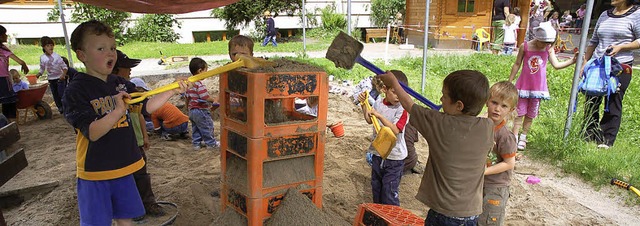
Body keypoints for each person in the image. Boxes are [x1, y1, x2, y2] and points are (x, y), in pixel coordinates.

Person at [63, 20, 188, 226]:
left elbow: (146, 106)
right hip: (95, 172)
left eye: (112, 48)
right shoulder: (76, 90)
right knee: (97, 222)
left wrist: (171, 91)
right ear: (82, 55)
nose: (110, 53)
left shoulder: (119, 83)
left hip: (123, 167)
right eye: (101, 48)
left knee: (125, 217)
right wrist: (117, 111)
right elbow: (92, 132)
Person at [377, 69, 494, 225]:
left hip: (444, 213)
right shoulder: (487, 127)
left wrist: (394, 84)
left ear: (459, 105)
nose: (440, 99)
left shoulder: (439, 123)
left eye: (444, 96)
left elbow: (409, 105)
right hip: (472, 214)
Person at [112, 50, 166, 219]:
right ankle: (133, 209)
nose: (130, 71)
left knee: (141, 172)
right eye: (126, 67)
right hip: (115, 144)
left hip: (134, 140)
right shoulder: (103, 89)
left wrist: (144, 136)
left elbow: (143, 109)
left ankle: (148, 202)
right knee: (123, 178)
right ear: (115, 68)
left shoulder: (127, 87)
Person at [508, 22, 577, 150]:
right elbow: (517, 64)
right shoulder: (525, 47)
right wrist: (510, 81)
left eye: (548, 43)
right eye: (544, 42)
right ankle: (514, 136)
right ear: (537, 38)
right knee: (519, 112)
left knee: (531, 114)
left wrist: (572, 61)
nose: (546, 45)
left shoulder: (548, 49)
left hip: (538, 89)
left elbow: (556, 65)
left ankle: (524, 136)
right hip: (523, 86)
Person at [582, 0, 640, 149]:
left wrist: (621, 47)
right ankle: (588, 135)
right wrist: (585, 63)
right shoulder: (604, 15)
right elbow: (593, 40)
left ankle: (606, 140)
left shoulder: (636, 14)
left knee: (613, 102)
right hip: (597, 66)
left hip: (620, 66)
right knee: (591, 100)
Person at [357, 70, 409, 206]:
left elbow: (396, 130)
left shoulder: (403, 109)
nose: (398, 97)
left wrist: (380, 116)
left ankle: (390, 218)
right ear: (385, 89)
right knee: (377, 187)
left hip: (394, 158)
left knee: (389, 191)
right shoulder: (379, 102)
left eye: (401, 93)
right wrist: (364, 105)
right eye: (395, 92)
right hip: (378, 153)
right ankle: (379, 216)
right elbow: (369, 119)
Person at [478, 81, 518, 226]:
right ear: (487, 102)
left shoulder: (505, 135)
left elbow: (509, 163)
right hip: (478, 182)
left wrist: (484, 171)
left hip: (496, 186)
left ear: (511, 110)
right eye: (494, 102)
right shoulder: (480, 125)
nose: (497, 109)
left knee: (489, 220)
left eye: (504, 106)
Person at [187, 57, 219, 150]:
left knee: (195, 127)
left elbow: (187, 97)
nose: (207, 73)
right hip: (200, 110)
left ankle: (196, 144)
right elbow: (205, 97)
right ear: (200, 71)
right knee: (207, 126)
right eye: (206, 70)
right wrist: (214, 100)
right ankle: (211, 143)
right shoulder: (199, 84)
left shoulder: (189, 83)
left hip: (192, 110)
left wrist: (187, 107)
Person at [0, 25, 29, 121]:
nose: (6, 36)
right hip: (3, 79)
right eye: (4, 34)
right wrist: (24, 64)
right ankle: (11, 123)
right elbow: (19, 61)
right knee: (9, 102)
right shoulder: (3, 49)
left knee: (5, 103)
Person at [36, 36, 67, 114]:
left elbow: (64, 66)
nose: (50, 47)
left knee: (62, 93)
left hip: (59, 78)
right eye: (48, 45)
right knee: (55, 94)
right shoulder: (43, 58)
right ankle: (60, 108)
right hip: (51, 79)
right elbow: (42, 68)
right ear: (43, 47)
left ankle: (66, 107)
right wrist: (39, 73)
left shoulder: (57, 56)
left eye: (51, 45)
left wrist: (63, 74)